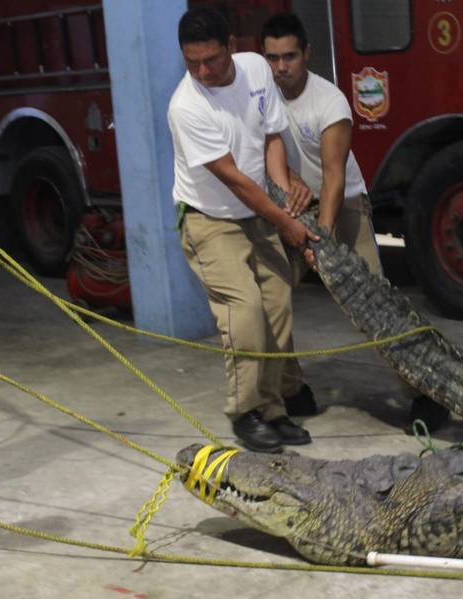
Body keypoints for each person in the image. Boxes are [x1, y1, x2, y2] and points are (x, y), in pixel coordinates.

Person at [260, 12, 449, 431]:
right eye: (272, 58)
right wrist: (290, 185)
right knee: (268, 299)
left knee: (374, 305)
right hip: (289, 209)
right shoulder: (261, 98)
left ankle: (425, 395)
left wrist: (322, 238)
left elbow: (333, 174)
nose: (281, 67)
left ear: (307, 53)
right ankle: (292, 390)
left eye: (289, 56)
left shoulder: (330, 101)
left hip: (340, 207)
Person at [168, 8, 320, 453]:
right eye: (191, 62)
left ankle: (273, 410)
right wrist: (286, 221)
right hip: (209, 219)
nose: (202, 71)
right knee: (246, 309)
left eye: (211, 60)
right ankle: (245, 412)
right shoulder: (186, 107)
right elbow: (234, 178)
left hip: (257, 212)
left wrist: (281, 189)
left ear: (231, 46)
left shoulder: (255, 68)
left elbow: (271, 137)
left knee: (277, 305)